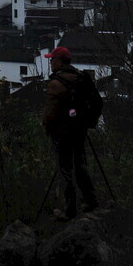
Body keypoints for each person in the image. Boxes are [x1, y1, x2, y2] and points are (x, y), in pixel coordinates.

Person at [41, 46, 99, 221]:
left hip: (62, 133)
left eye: (52, 59)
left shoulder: (56, 84)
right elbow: (96, 102)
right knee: (80, 165)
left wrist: (47, 129)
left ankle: (69, 210)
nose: (50, 63)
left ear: (58, 62)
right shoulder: (81, 78)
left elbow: (50, 114)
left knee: (65, 170)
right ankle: (91, 201)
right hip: (80, 130)